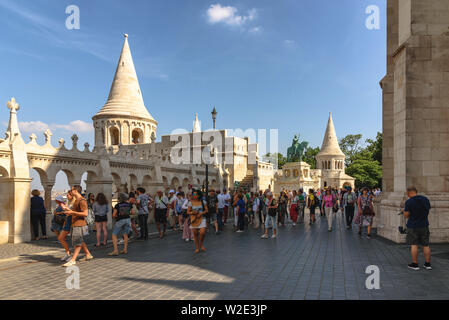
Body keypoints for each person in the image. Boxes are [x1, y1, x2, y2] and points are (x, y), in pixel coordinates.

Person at [61, 185, 93, 267]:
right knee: (79, 240)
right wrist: (68, 210)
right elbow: (75, 211)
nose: (70, 191)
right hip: (74, 223)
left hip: (79, 224)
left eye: (72, 190)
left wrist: (72, 213)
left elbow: (85, 214)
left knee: (77, 242)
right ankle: (88, 254)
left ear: (75, 191)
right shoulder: (77, 200)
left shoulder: (82, 201)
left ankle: (73, 260)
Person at [402, 186, 432, 270]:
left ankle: (415, 264)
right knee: (425, 245)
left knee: (414, 245)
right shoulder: (425, 199)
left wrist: (404, 212)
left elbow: (406, 215)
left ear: (408, 192)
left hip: (413, 226)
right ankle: (427, 264)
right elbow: (427, 210)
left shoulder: (409, 201)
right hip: (424, 225)